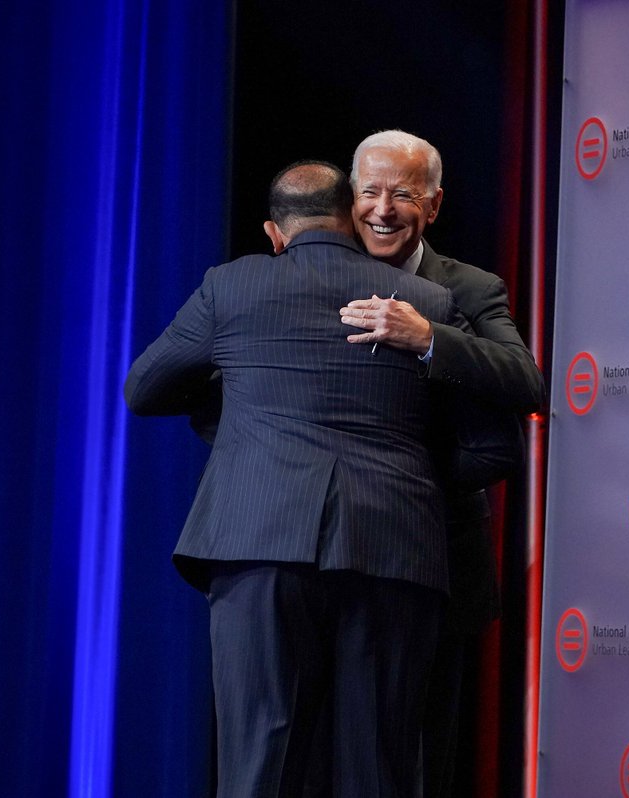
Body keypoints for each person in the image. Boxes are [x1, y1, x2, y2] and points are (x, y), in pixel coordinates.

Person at [125, 161, 467, 798]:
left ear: (274, 232)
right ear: (352, 219)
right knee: (380, 768)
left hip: (259, 539)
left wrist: (237, 406)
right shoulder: (423, 303)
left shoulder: (231, 286)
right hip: (392, 545)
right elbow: (481, 440)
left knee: (261, 760)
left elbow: (143, 389)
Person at [338, 130, 544, 796]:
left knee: (422, 753)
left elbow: (526, 381)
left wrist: (429, 337)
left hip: (438, 554)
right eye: (370, 192)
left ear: (433, 205)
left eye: (402, 194)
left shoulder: (469, 287)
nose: (382, 210)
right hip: (334, 555)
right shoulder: (314, 275)